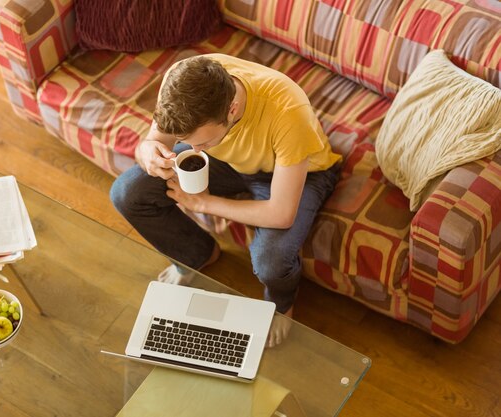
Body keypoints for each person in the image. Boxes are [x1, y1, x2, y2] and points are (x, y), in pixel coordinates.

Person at [110, 54, 341, 347]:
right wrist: (149, 153)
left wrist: (203, 203)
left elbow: (281, 213)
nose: (192, 149)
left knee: (271, 260)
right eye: (188, 140)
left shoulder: (288, 110)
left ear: (232, 109)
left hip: (302, 172)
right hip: (230, 163)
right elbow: (155, 140)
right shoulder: (181, 82)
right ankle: (196, 256)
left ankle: (281, 306)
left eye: (201, 143)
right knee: (127, 193)